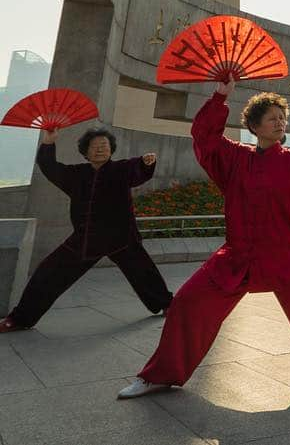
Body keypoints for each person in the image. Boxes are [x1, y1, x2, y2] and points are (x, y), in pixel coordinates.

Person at [117, 78, 290, 399]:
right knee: (188, 303)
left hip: (288, 257)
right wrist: (221, 96)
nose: (280, 122)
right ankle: (159, 375)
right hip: (237, 256)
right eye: (272, 118)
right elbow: (205, 137)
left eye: (283, 117)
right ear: (254, 125)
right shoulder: (234, 158)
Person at [0, 127, 172, 333]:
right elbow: (49, 167)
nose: (100, 150)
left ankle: (168, 305)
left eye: (104, 146)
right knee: (47, 274)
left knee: (144, 272)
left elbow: (138, 170)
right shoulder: (76, 174)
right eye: (95, 146)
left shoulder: (121, 169)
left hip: (121, 238)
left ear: (111, 150)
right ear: (85, 151)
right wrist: (48, 141)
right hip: (85, 240)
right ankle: (20, 319)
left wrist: (145, 163)